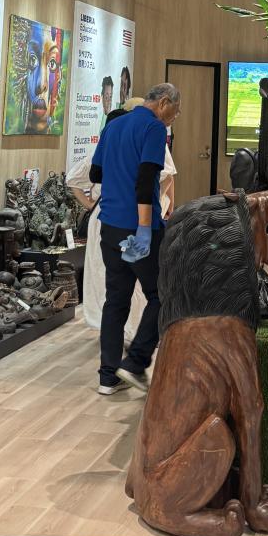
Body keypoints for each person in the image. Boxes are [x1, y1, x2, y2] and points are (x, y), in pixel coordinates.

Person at [90, 82, 182, 394]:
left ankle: (108, 377)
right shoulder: (154, 129)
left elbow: (95, 174)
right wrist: (144, 230)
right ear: (164, 102)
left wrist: (120, 171)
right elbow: (145, 183)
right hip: (139, 228)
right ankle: (135, 362)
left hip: (110, 226)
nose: (175, 117)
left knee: (116, 300)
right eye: (176, 111)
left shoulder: (113, 126)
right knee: (163, 295)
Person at [72, 98, 176, 334]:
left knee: (115, 282)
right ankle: (132, 333)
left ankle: (119, 333)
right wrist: (159, 208)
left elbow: (166, 177)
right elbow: (165, 178)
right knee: (134, 282)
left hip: (112, 220)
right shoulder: (150, 136)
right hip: (131, 220)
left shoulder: (117, 138)